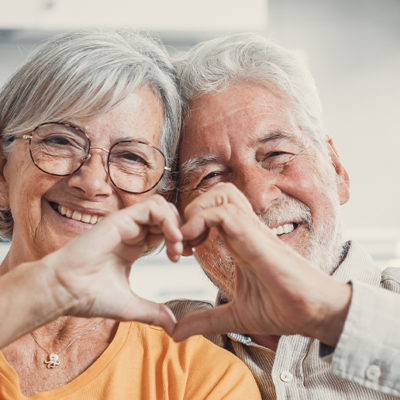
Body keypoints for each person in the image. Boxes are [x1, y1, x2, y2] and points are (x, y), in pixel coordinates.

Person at [0, 31, 261, 399]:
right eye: (60, 140)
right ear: (2, 171)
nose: (91, 183)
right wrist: (43, 292)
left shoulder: (199, 378)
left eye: (131, 157)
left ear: (162, 199)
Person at [168, 33, 400, 399]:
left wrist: (331, 313)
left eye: (276, 153)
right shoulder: (155, 342)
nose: (257, 198)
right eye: (210, 176)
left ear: (336, 169)